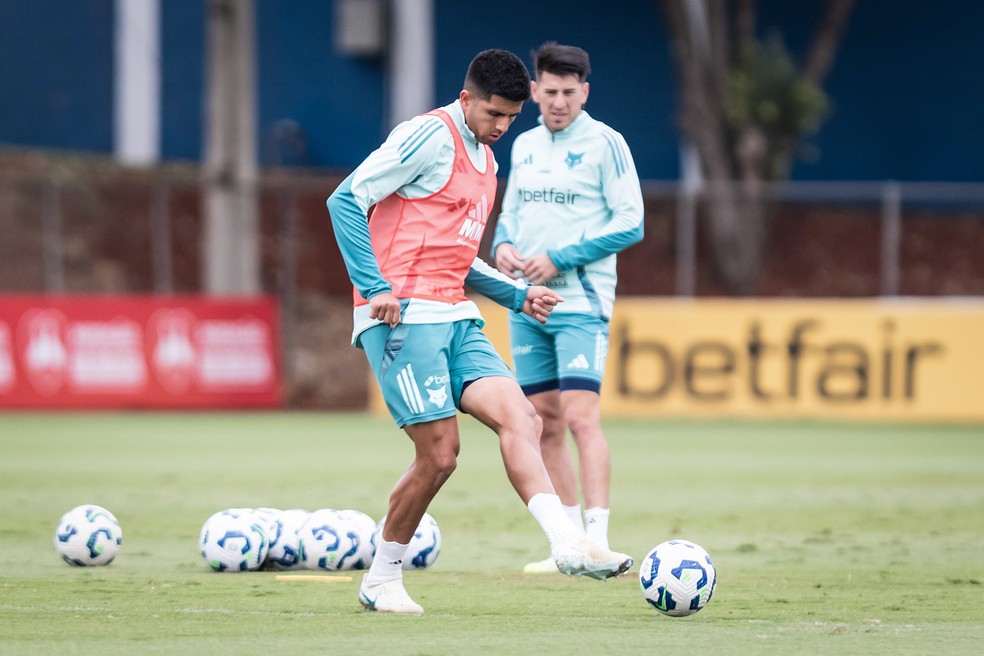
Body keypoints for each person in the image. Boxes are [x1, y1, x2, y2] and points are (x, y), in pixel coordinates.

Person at [326, 48, 633, 615]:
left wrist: (517, 295)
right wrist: (375, 289)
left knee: (524, 416)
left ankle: (567, 543)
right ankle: (382, 578)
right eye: (494, 114)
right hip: (401, 316)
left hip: (454, 316)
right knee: (441, 455)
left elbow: (457, 257)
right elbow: (345, 198)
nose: (502, 127)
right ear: (466, 98)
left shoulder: (488, 165)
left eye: (512, 118)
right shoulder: (425, 135)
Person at [492, 43, 644, 574]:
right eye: (549, 91)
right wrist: (503, 247)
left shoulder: (608, 144)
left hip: (581, 300)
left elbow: (631, 222)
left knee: (581, 416)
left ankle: (600, 539)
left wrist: (560, 255)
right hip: (527, 303)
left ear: (585, 91)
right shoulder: (525, 144)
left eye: (569, 92)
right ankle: (572, 545)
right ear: (534, 91)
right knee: (544, 422)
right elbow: (510, 212)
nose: (558, 102)